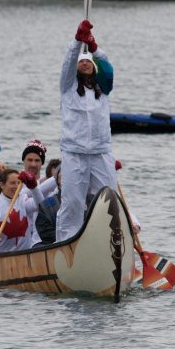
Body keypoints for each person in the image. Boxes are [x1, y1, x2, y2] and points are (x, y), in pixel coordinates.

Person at [55, 19, 117, 242]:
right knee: (72, 203)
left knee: (109, 201)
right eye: (81, 62)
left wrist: (93, 46)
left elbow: (107, 66)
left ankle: (108, 241)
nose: (84, 63)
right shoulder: (68, 87)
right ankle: (66, 243)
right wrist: (76, 41)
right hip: (74, 153)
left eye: (88, 61)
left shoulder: (104, 89)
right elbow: (67, 63)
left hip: (101, 152)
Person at [0, 168, 39, 253]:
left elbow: (39, 205)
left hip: (24, 253)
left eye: (18, 183)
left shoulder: (23, 199)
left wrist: (34, 188)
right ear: (2, 185)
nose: (16, 186)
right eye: (12, 183)